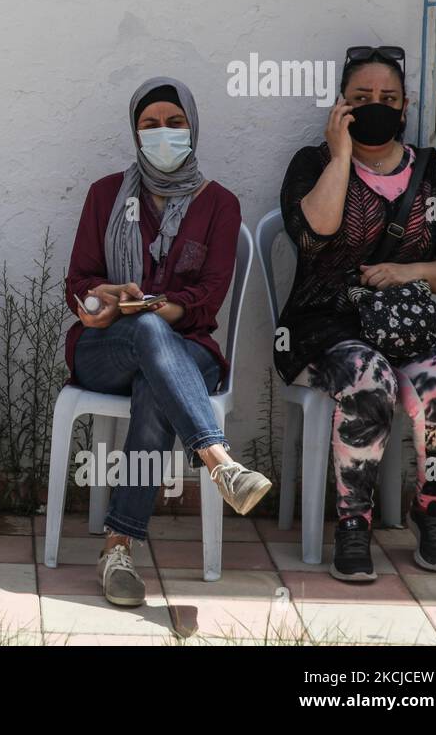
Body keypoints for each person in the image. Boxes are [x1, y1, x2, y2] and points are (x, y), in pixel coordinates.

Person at [65, 77, 269, 607]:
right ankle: (220, 462)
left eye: (174, 124)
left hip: (190, 349)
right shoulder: (105, 194)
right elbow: (79, 282)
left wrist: (158, 306)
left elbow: (208, 297)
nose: (163, 134)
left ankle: (119, 549)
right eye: (150, 125)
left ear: (193, 128)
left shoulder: (219, 204)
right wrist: (104, 300)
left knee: (156, 369)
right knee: (149, 332)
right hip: (106, 347)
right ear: (134, 133)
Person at [275, 45, 436, 581]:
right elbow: (315, 234)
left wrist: (408, 272)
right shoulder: (311, 164)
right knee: (370, 382)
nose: (376, 106)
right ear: (342, 106)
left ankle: (433, 508)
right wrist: (341, 154)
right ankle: (353, 524)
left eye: (388, 98)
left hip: (405, 328)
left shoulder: (431, 172)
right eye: (362, 98)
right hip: (325, 326)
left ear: (405, 107)